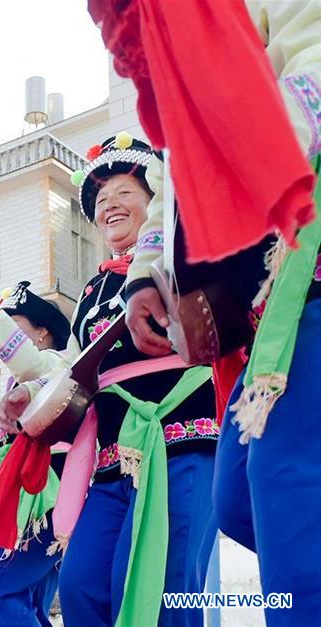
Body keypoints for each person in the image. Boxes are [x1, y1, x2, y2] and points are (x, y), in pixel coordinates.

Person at [122, 3, 321, 624]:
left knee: (282, 494)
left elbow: (312, 72)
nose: (109, 209)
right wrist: (146, 278)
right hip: (255, 327)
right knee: (240, 500)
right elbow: (176, 173)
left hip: (302, 273)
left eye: (117, 196)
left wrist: (228, 158)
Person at [0, 135, 217, 627]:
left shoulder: (180, 251)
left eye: (124, 192)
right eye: (100, 200)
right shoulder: (94, 291)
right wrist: (29, 394)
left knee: (163, 588)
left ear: (155, 199)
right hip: (112, 458)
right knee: (82, 587)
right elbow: (70, 368)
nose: (110, 205)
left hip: (180, 437)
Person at [0, 279, 71, 627]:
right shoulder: (19, 383)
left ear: (42, 334)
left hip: (47, 498)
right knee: (26, 603)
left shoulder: (58, 363)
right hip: (23, 503)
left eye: (17, 328)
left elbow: (34, 369)